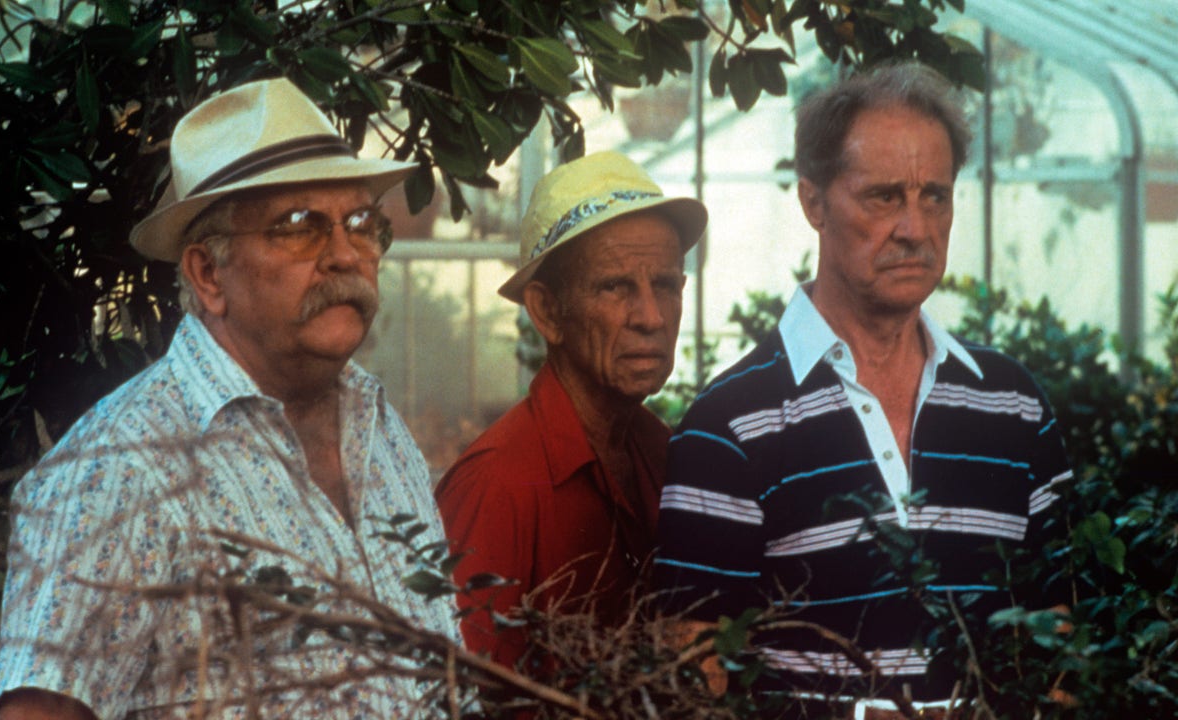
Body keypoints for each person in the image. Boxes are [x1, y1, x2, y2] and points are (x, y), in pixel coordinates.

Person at [0, 78, 458, 720]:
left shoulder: (381, 428)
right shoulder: (119, 468)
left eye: (360, 223)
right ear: (208, 274)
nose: (346, 254)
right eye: (299, 226)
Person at [654, 62, 1074, 717]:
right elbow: (694, 683)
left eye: (935, 196)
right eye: (884, 197)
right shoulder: (730, 426)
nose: (915, 228)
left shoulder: (1014, 407)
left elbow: (1063, 636)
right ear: (813, 203)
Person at [436, 151, 707, 669]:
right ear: (547, 311)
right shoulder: (497, 485)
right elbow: (460, 690)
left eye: (666, 285)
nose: (651, 317)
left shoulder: (662, 451)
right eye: (616, 287)